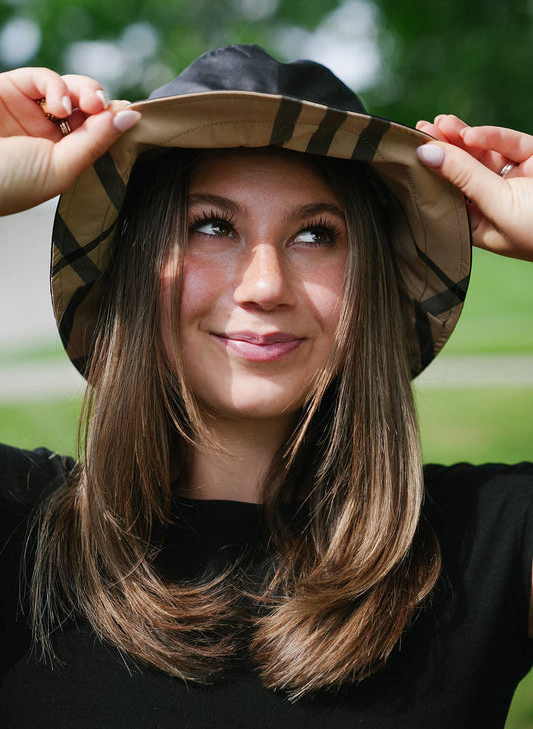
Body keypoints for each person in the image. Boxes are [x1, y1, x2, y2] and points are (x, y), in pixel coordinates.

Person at [0, 45, 532, 728]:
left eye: (314, 234)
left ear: (366, 281)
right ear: (135, 266)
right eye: (212, 226)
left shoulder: (483, 545)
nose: (264, 287)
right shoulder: (20, 532)